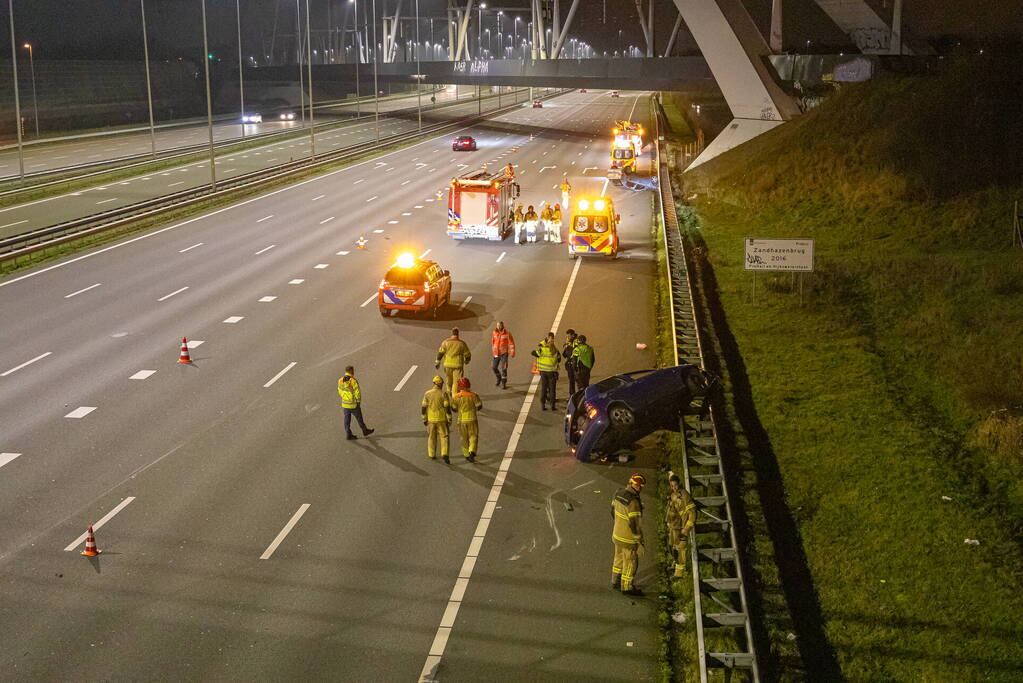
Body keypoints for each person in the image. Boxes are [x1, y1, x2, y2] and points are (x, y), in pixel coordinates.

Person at [611, 474, 645, 596]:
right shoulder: (634, 502)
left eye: (641, 486)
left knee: (618, 558)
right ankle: (626, 587)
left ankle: (615, 580)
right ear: (632, 484)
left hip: (616, 534)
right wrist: (639, 541)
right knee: (630, 562)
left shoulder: (618, 493)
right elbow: (635, 525)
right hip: (628, 539)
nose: (640, 488)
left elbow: (612, 512)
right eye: (638, 485)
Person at [665, 472, 696, 577]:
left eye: (675, 485)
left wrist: (687, 528)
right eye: (672, 486)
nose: (674, 487)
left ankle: (679, 575)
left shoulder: (684, 496)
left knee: (680, 550)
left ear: (679, 483)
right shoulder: (673, 495)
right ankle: (675, 566)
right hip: (674, 527)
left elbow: (692, 513)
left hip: (682, 528)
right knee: (672, 548)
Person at [450, 377, 483, 462]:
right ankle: (472, 451)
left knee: (463, 438)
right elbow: (479, 406)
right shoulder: (473, 395)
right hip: (472, 419)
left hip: (461, 421)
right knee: (473, 436)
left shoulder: (456, 396)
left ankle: (466, 455)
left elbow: (453, 409)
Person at [338, 366, 375, 440]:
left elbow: (339, 390)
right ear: (351, 371)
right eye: (353, 370)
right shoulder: (353, 381)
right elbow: (357, 393)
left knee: (347, 420)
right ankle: (365, 431)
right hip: (353, 404)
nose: (354, 372)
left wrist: (344, 397)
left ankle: (348, 434)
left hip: (345, 404)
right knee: (359, 418)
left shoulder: (340, 380)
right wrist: (358, 402)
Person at [421, 375, 452, 463]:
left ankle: (431, 454)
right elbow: (447, 407)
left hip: (431, 420)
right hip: (442, 419)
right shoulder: (443, 394)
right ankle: (444, 453)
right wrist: (449, 418)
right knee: (444, 437)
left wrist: (424, 418)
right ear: (440, 384)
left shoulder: (427, 393)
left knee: (431, 437)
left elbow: (423, 407)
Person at [531, 332, 561, 411]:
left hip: (543, 372)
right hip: (552, 372)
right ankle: (552, 406)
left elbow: (535, 353)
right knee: (552, 390)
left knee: (544, 388)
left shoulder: (542, 349)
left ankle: (543, 405)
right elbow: (559, 359)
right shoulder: (555, 350)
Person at [491, 321, 516, 389]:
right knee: (494, 367)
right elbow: (493, 342)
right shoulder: (494, 332)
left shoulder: (507, 333)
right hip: (496, 354)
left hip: (504, 354)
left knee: (504, 368)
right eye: (497, 325)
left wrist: (512, 352)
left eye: (500, 325)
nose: (498, 327)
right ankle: (499, 378)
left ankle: (503, 383)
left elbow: (511, 343)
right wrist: (493, 349)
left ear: (502, 326)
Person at [562, 329, 580, 396]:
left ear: (573, 335)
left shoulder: (576, 342)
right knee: (571, 381)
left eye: (569, 336)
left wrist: (567, 347)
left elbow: (572, 352)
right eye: (567, 336)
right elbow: (565, 353)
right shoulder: (568, 342)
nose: (568, 338)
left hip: (576, 365)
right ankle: (572, 397)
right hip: (570, 365)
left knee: (578, 382)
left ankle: (580, 397)